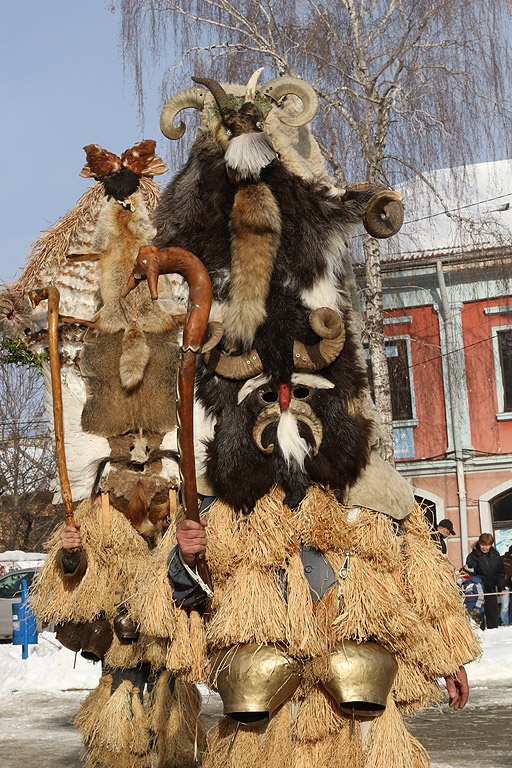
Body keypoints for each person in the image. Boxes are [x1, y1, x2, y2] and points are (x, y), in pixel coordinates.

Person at [466, 533, 506, 629]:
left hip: (491, 590)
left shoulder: (495, 555)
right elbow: (469, 574)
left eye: (487, 545)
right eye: (482, 545)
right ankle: (481, 638)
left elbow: (499, 573)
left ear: (491, 544)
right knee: (478, 620)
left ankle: (494, 639)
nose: (485, 547)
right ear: (479, 544)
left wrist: (501, 587)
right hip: (478, 592)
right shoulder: (473, 556)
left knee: (493, 618)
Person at [500, 545, 512, 626]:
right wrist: (501, 586)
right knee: (505, 606)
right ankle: (505, 623)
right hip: (506, 585)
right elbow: (500, 573)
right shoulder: (503, 559)